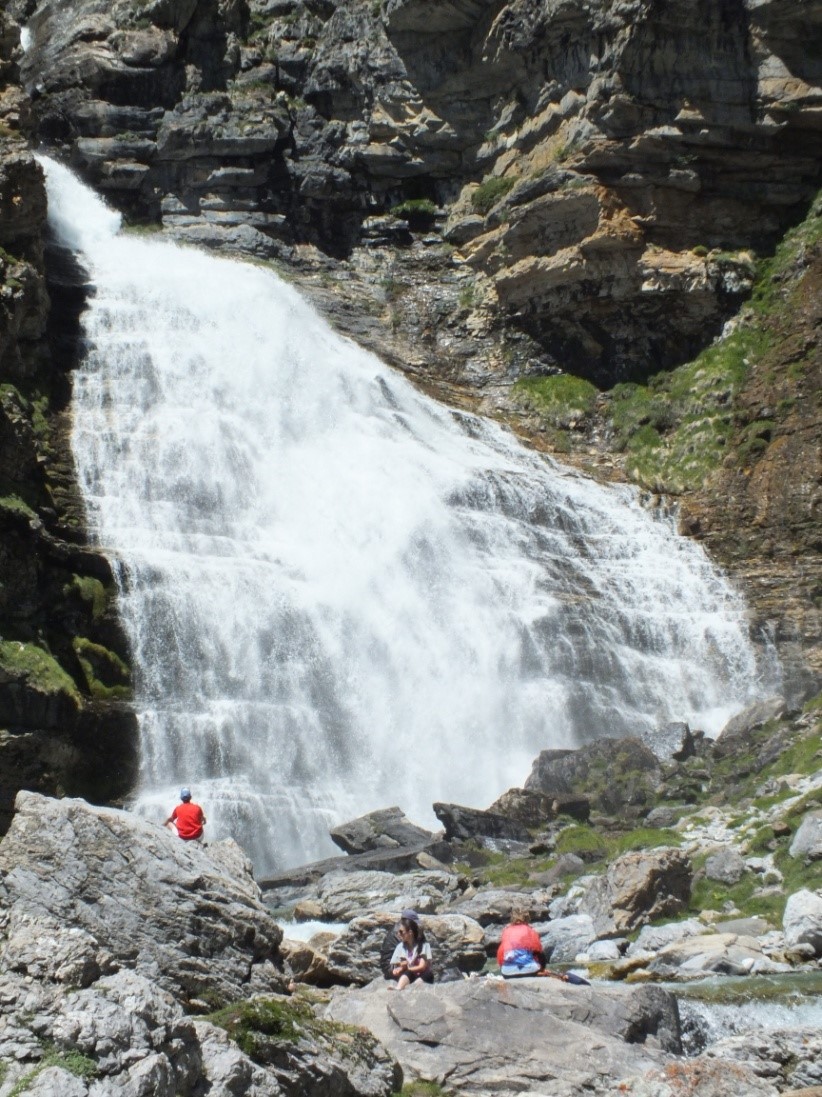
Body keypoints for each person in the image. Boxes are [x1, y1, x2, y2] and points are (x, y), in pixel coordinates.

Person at [389, 912, 433, 989]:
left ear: (410, 933)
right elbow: (402, 965)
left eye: (401, 932)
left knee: (417, 979)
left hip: (424, 975)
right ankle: (398, 988)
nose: (399, 934)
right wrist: (400, 968)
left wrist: (408, 968)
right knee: (407, 973)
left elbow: (422, 967)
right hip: (411, 974)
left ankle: (408, 988)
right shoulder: (401, 947)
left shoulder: (423, 945)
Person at [497, 909, 546, 977]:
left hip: (507, 972)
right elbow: (538, 950)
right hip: (529, 971)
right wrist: (542, 967)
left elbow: (500, 954)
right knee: (541, 954)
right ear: (527, 919)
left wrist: (503, 966)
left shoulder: (506, 931)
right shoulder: (530, 930)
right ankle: (541, 970)